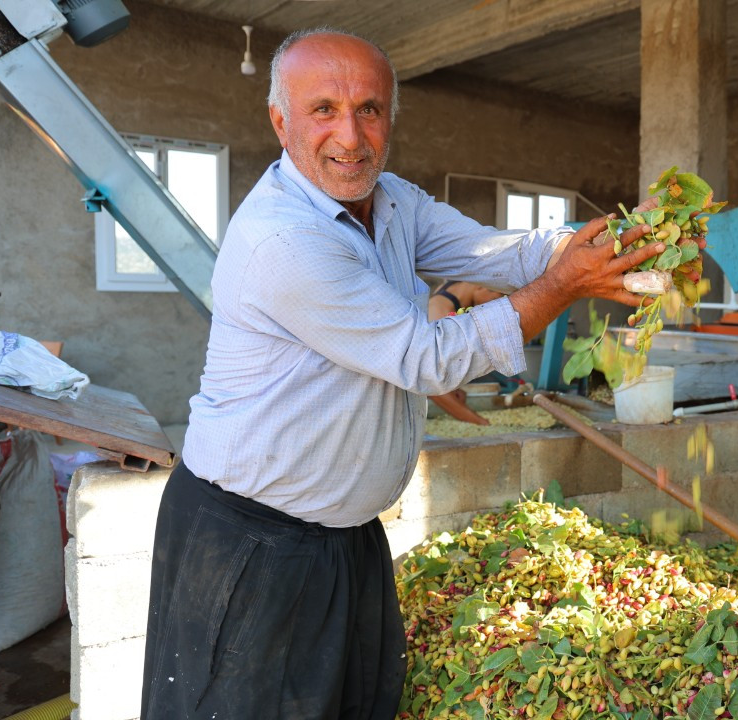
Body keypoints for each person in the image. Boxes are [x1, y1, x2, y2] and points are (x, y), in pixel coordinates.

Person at [141, 28, 680, 719]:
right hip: (252, 543)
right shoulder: (286, 239)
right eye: (324, 110)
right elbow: (426, 357)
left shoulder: (392, 201)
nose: (351, 136)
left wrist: (590, 246)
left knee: (354, 703)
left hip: (343, 533)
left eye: (370, 109)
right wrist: (567, 286)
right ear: (280, 121)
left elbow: (498, 252)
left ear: (392, 117)